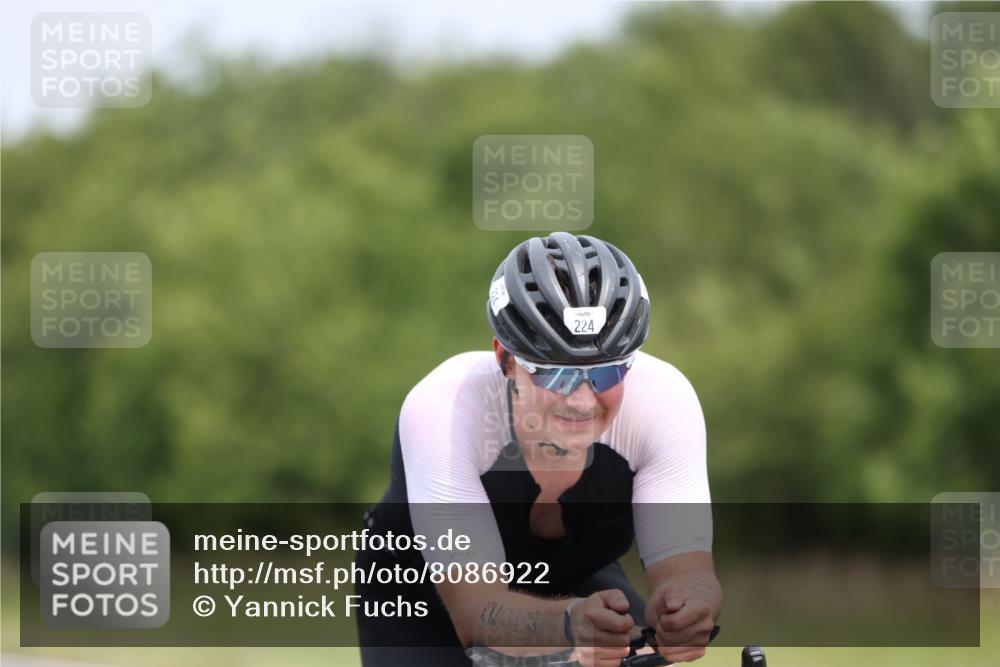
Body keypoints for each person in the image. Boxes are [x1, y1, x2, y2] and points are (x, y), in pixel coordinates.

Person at [355, 232, 721, 667]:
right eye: (556, 375)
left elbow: (689, 571)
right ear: (505, 359)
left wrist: (688, 608)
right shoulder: (446, 407)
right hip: (425, 596)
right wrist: (568, 628)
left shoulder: (663, 400)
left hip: (573, 583)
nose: (583, 399)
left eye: (606, 374)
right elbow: (477, 613)